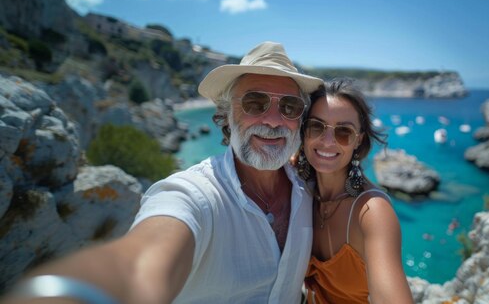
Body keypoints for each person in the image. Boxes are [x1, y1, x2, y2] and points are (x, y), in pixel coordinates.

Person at [3, 42, 324, 304]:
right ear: (226, 115)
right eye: (255, 103)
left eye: (289, 108)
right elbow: (141, 262)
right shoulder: (192, 195)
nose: (273, 120)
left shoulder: (309, 188)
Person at [295, 79, 413, 303]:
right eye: (316, 126)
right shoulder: (298, 186)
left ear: (358, 140)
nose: (327, 141)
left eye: (343, 132)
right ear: (304, 132)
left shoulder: (372, 212)